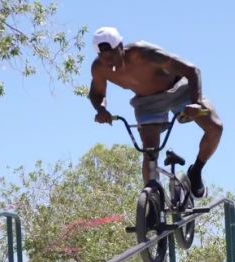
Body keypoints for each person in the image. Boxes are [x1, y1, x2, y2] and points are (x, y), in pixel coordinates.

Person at [87, 26, 223, 198]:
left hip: (179, 90)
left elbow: (192, 70)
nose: (110, 63)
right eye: (104, 58)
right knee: (150, 152)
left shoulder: (144, 53)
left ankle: (196, 171)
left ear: (121, 46)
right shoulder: (99, 68)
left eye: (113, 55)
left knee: (215, 128)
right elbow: (96, 94)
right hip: (147, 103)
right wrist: (101, 109)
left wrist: (196, 104)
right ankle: (152, 199)